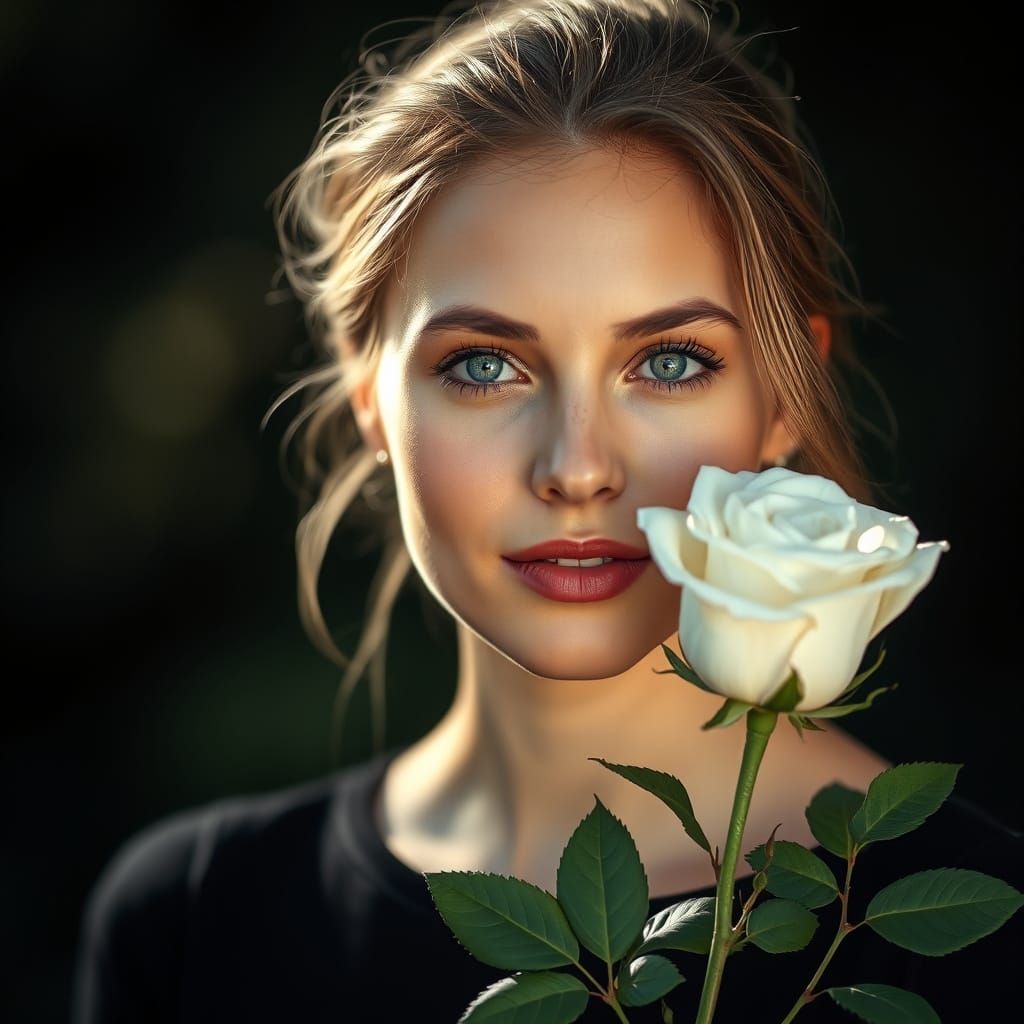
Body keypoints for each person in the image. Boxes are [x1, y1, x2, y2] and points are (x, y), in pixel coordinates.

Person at [70, 1, 1021, 1021]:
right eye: (484, 366)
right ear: (368, 399)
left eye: (669, 363)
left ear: (785, 397)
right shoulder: (191, 924)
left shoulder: (987, 942)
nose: (577, 468)